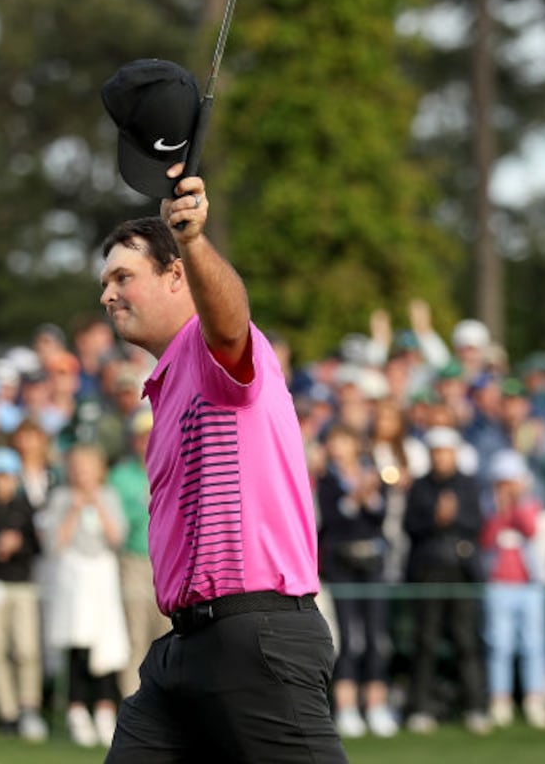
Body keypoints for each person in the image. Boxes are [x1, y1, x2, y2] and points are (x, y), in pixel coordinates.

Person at [95, 131, 341, 762]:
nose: (107, 295)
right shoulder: (165, 385)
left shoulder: (212, 350)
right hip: (185, 650)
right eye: (105, 282)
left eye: (123, 276)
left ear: (176, 275)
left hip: (254, 637)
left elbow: (229, 319)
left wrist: (194, 240)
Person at [402, 427, 488, 735]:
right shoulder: (421, 487)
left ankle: (476, 706)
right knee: (425, 640)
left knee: (466, 640)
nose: (441, 458)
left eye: (446, 451)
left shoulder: (467, 485)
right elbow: (411, 525)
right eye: (436, 452)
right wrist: (436, 519)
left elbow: (476, 523)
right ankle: (420, 707)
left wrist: (452, 518)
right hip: (429, 571)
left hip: (461, 571)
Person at [44, 444, 129, 748]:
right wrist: (75, 510)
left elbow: (116, 537)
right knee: (76, 643)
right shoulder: (61, 498)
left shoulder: (109, 496)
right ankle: (77, 709)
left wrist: (98, 506)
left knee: (106, 645)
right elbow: (55, 542)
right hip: (72, 577)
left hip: (101, 577)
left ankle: (105, 709)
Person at [317, 423, 396, 739]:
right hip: (341, 564)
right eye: (334, 441)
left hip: (372, 562)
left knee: (376, 635)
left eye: (344, 441)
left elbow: (380, 516)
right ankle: (347, 708)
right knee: (348, 636)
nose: (339, 447)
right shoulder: (327, 481)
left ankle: (376, 706)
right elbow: (333, 520)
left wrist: (370, 494)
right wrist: (355, 496)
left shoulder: (371, 473)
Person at [0, 445, 47, 741]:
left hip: (22, 585)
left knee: (26, 650)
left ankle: (28, 708)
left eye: (6, 475)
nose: (2, 481)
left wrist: (19, 544)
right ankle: (7, 712)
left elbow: (39, 548)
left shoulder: (25, 508)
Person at [480, 449, 545, 730]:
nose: (508, 488)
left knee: (534, 644)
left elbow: (531, 529)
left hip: (529, 586)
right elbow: (486, 540)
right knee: (499, 644)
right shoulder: (487, 506)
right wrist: (500, 512)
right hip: (498, 585)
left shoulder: (532, 504)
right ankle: (500, 700)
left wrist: (516, 506)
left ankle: (536, 699)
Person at [107, 418, 169, 699]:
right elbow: (117, 522)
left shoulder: (173, 467)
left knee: (167, 636)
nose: (146, 441)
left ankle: (166, 705)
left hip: (168, 565)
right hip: (134, 561)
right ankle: (134, 704)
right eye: (141, 436)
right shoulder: (120, 477)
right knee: (135, 635)